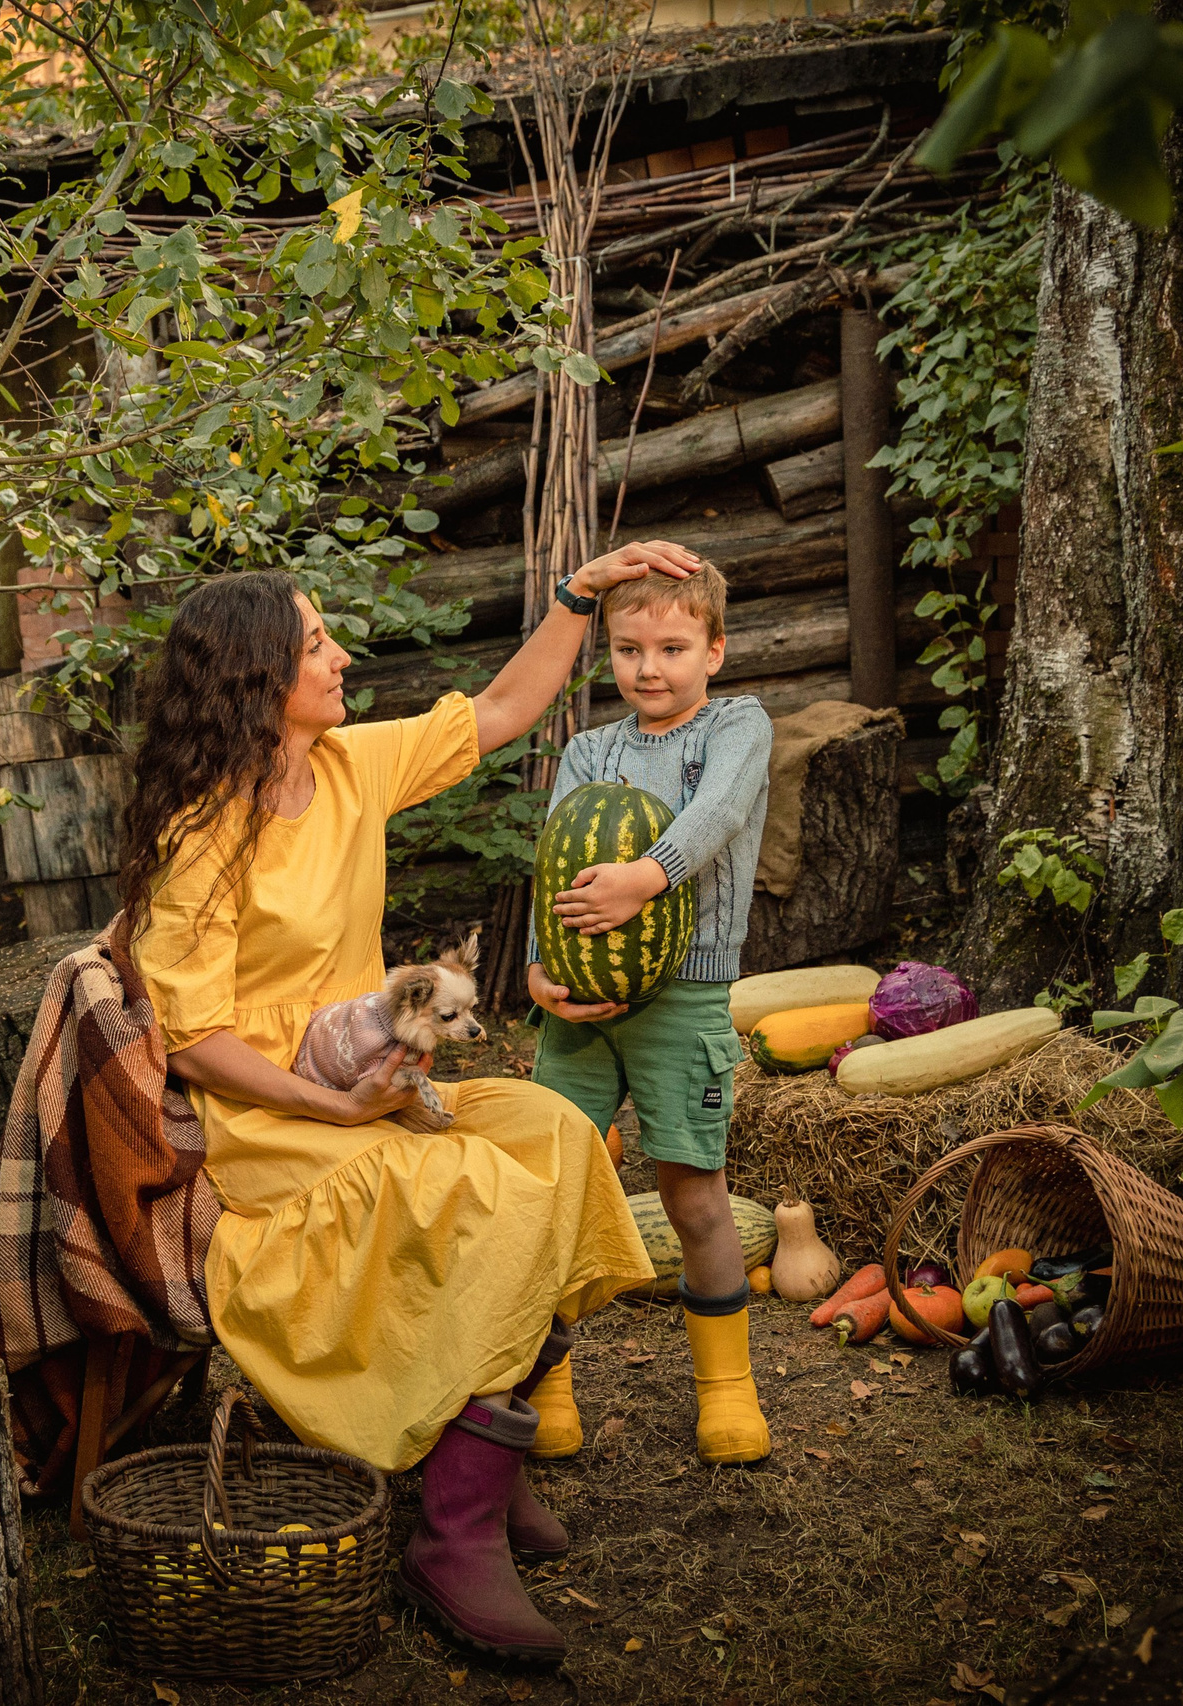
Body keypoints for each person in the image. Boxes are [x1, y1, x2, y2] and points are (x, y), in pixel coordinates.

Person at [120, 545, 703, 1661]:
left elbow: (499, 708)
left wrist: (581, 595)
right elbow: (195, 1040)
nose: (341, 656)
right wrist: (334, 1110)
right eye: (314, 644)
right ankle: (455, 1527)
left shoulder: (346, 765)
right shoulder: (200, 834)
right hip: (276, 1113)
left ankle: (480, 1454)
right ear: (256, 680)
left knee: (555, 1135)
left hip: (373, 1078)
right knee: (476, 1188)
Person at [524, 559, 776, 1466]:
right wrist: (537, 968)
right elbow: (555, 862)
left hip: (686, 994)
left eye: (673, 648)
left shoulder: (737, 726)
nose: (650, 668)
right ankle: (546, 1386)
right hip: (579, 1001)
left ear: (715, 649)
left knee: (692, 1194)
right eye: (629, 650)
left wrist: (644, 878)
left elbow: (718, 814)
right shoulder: (591, 752)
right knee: (551, 1191)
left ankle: (727, 1392)